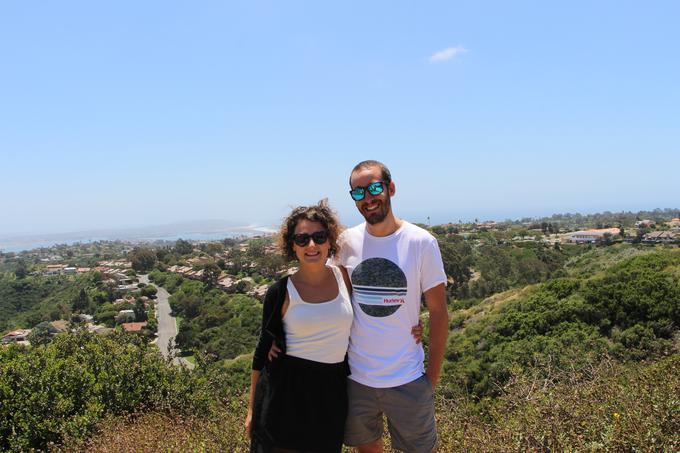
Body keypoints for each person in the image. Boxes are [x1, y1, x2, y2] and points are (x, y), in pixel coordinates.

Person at [334, 160, 449, 453]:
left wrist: (430, 380)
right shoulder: (346, 242)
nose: (368, 198)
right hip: (357, 379)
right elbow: (342, 304)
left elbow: (438, 313)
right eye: (358, 193)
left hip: (408, 377)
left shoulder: (421, 242)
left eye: (374, 188)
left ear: (391, 188)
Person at [246, 201, 353, 453]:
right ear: (292, 245)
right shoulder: (281, 292)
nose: (312, 245)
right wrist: (251, 409)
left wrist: (411, 325)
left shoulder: (345, 279)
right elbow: (262, 352)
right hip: (285, 395)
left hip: (331, 392)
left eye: (319, 236)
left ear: (330, 241)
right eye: (302, 239)